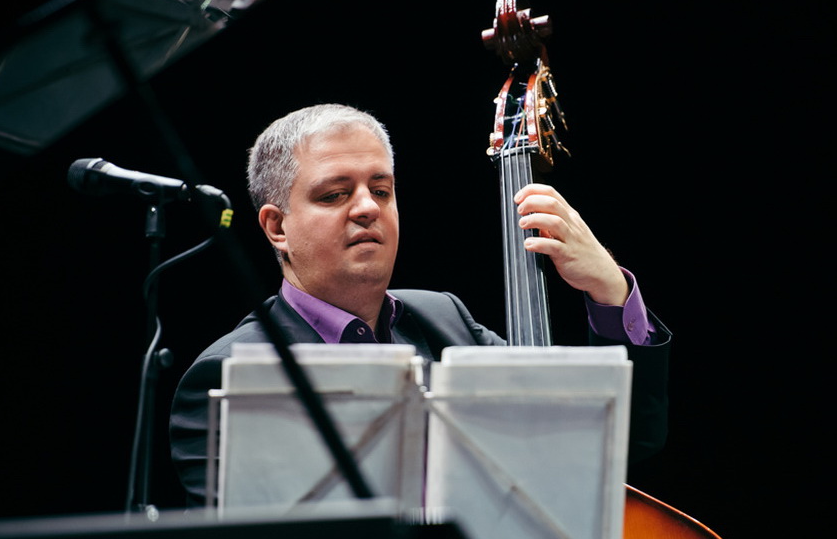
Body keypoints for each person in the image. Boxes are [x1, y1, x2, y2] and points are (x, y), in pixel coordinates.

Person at [168, 103, 672, 507]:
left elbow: (618, 442)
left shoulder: (446, 322)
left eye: (381, 190)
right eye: (335, 195)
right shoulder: (226, 375)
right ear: (277, 227)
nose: (367, 207)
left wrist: (610, 290)